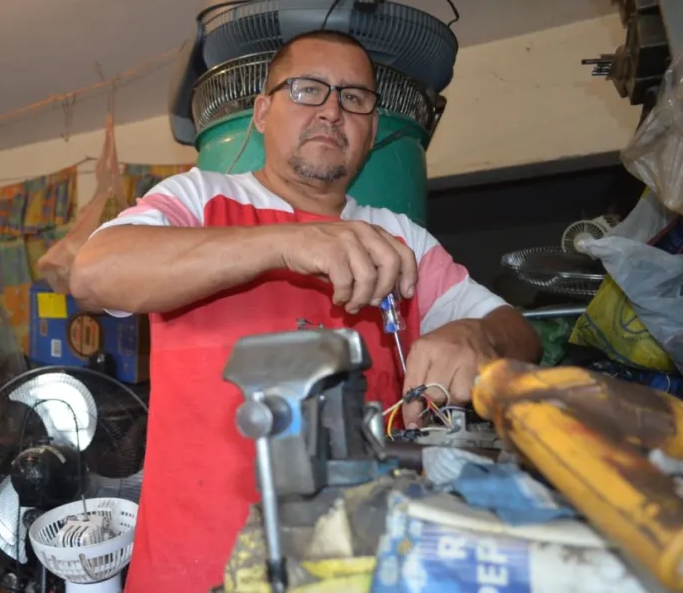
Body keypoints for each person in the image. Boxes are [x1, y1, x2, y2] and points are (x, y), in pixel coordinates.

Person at [69, 30, 542, 593]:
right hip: (190, 572)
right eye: (307, 89)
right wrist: (284, 242)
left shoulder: (400, 237)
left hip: (352, 571)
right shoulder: (198, 198)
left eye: (354, 97)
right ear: (264, 111)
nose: (332, 110)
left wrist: (473, 335)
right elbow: (94, 275)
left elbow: (519, 335)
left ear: (372, 128)